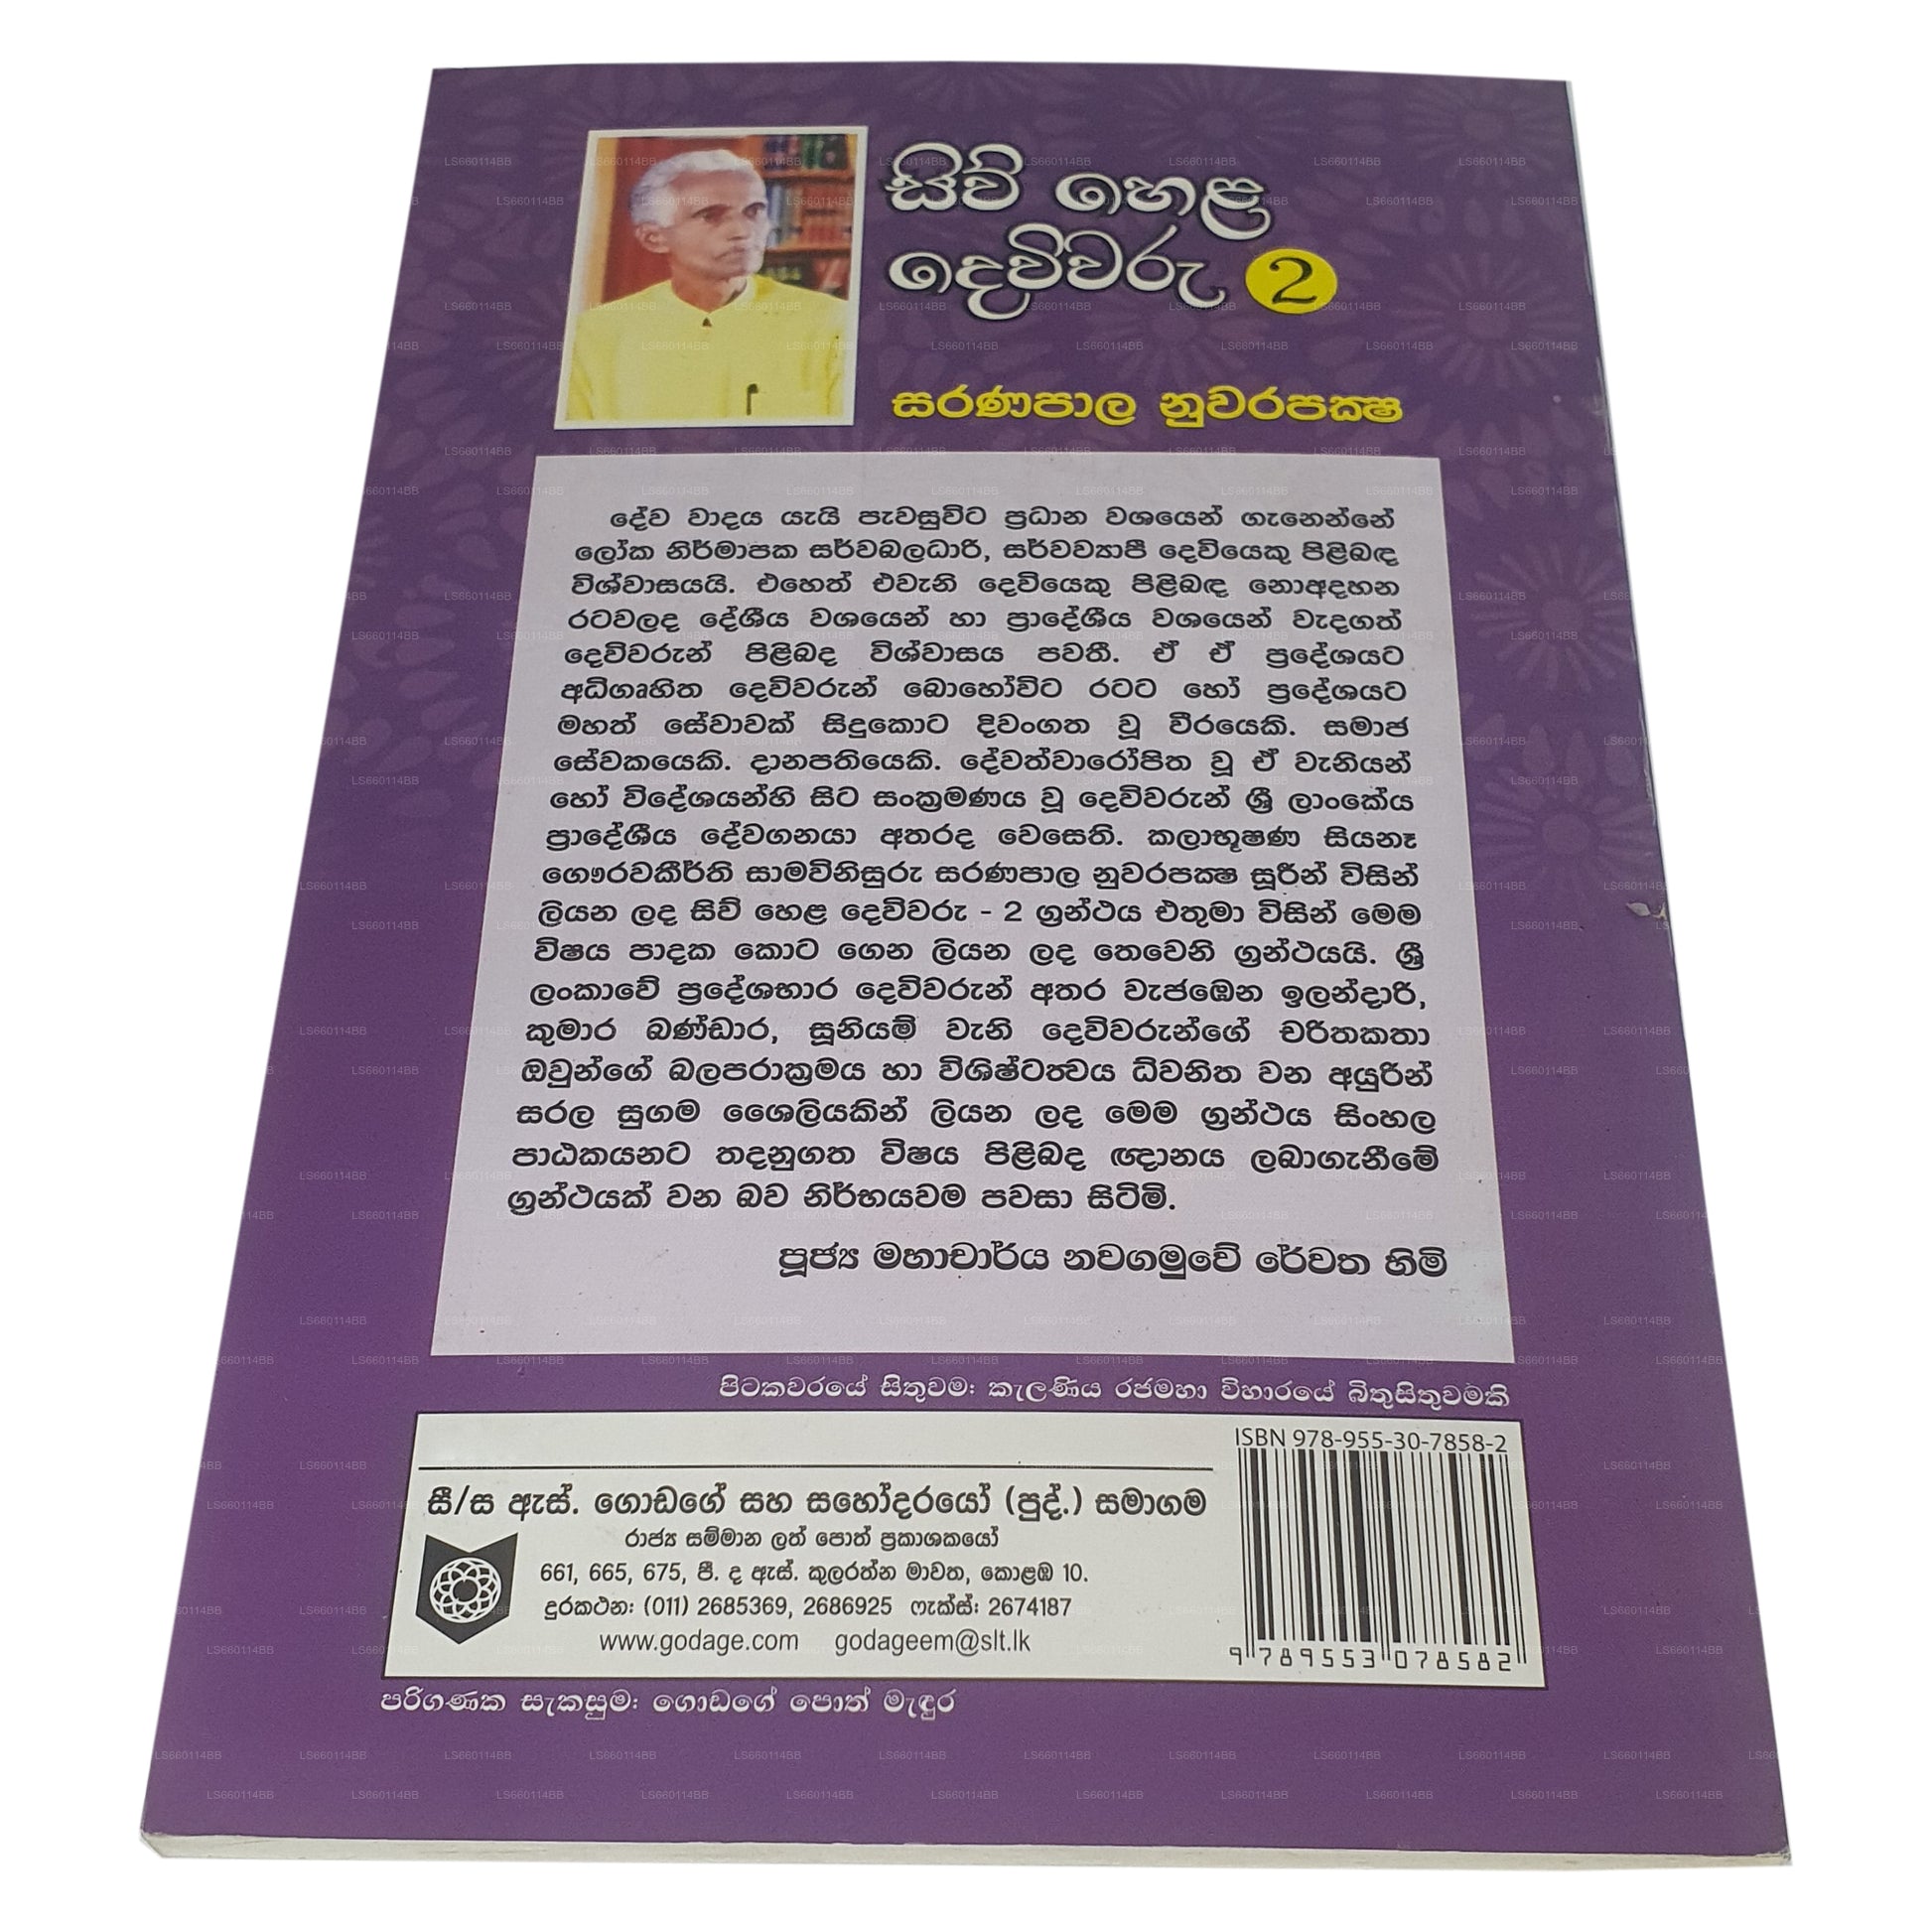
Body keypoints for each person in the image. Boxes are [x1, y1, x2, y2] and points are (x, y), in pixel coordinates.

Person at [566, 148, 849, 423]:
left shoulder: (833, 323)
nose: (743, 231)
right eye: (710, 216)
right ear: (654, 238)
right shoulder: (593, 336)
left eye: (754, 211)